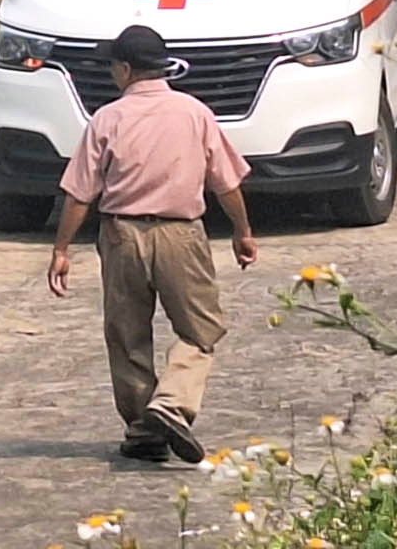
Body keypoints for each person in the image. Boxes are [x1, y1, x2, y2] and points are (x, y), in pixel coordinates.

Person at [48, 26, 257, 465]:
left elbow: (80, 193)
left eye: (112, 66)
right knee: (201, 329)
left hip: (122, 235)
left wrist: (61, 250)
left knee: (127, 335)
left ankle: (144, 426)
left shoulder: (107, 118)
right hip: (182, 233)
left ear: (125, 69)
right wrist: (242, 231)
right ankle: (173, 403)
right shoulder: (194, 113)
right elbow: (227, 182)